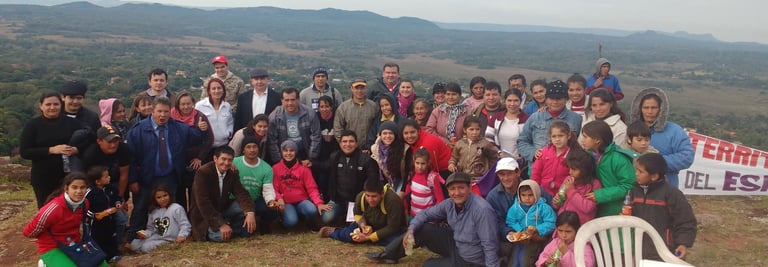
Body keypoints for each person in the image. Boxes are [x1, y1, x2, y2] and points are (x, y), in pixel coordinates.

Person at [367, 172, 500, 266]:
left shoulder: (482, 210)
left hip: (471, 258)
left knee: (428, 265)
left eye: (461, 188)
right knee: (423, 228)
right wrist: (411, 229)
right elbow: (425, 214)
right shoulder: (449, 203)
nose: (457, 192)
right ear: (448, 191)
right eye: (453, 189)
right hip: (456, 243)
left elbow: (489, 244)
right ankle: (389, 254)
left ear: (470, 188)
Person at [125, 96, 208, 242]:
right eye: (159, 111)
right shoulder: (137, 131)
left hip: (170, 176)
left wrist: (202, 130)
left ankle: (173, 237)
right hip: (146, 177)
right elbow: (130, 159)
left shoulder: (179, 128)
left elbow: (194, 138)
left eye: (166, 112)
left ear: (171, 112)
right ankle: (132, 239)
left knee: (172, 208)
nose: (162, 115)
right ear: (152, 111)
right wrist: (132, 180)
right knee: (141, 208)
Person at [23, 172, 108, 267]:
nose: (79, 191)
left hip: (74, 243)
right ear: (66, 188)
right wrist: (43, 237)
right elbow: (29, 232)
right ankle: (45, 264)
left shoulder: (85, 204)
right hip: (52, 246)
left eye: (82, 187)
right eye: (74, 187)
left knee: (101, 264)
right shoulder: (54, 208)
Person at [20, 92, 86, 208]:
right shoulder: (33, 125)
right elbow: (25, 152)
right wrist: (51, 150)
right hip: (43, 175)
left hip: (68, 175)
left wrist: (76, 149)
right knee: (47, 209)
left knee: (69, 209)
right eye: (48, 104)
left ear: (61, 105)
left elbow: (87, 142)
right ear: (41, 106)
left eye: (56, 104)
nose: (52, 107)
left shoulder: (71, 123)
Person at [630, 153, 697, 260]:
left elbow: (686, 220)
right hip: (638, 249)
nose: (636, 174)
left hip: (665, 250)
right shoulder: (634, 191)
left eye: (641, 171)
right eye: (636, 170)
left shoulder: (672, 194)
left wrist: (683, 243)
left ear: (654, 176)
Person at [189, 146, 257, 241]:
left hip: (222, 209)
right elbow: (203, 202)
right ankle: (224, 229)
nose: (226, 163)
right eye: (223, 159)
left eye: (229, 160)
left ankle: (230, 228)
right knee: (218, 237)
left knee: (243, 207)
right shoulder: (203, 172)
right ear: (215, 158)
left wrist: (250, 213)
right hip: (204, 214)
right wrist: (220, 224)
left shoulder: (232, 172)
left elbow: (241, 193)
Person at [630, 87, 693, 187]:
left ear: (661, 109)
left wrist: (655, 162)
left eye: (654, 108)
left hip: (666, 190)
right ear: (639, 109)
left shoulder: (674, 131)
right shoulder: (630, 131)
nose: (649, 111)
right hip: (636, 189)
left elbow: (687, 157)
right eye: (646, 108)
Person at [80, 126, 131, 243]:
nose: (113, 145)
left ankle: (118, 243)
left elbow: (124, 175)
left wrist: (120, 198)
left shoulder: (123, 149)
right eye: (109, 142)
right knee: (99, 221)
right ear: (99, 141)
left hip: (114, 184)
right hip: (96, 187)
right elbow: (86, 180)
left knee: (121, 218)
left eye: (116, 141)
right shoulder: (90, 154)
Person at [319, 178, 406, 246]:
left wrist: (368, 238)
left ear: (382, 194)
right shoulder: (361, 196)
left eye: (374, 196)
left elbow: (392, 227)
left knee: (397, 240)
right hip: (369, 225)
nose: (370, 200)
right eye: (368, 196)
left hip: (386, 227)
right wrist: (363, 225)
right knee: (352, 236)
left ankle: (368, 240)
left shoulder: (393, 200)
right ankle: (333, 232)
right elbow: (357, 214)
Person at [518, 79, 583, 164]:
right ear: (546, 99)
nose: (555, 102)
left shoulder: (576, 119)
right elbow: (522, 141)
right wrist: (533, 153)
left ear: (566, 99)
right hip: (538, 168)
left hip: (565, 169)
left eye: (559, 98)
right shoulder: (535, 117)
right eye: (551, 98)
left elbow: (578, 145)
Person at [271, 140, 331, 230]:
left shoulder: (304, 169)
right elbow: (274, 188)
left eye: (291, 150)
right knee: (291, 222)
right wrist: (279, 199)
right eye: (285, 150)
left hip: (301, 201)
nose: (288, 153)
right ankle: (282, 221)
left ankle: (308, 222)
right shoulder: (275, 168)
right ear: (281, 152)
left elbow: (312, 188)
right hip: (286, 202)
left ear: (296, 152)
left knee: (312, 210)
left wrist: (319, 203)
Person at [581, 120, 636, 217]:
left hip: (616, 209)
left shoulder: (619, 159)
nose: (582, 140)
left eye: (585, 137)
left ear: (597, 140)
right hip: (594, 208)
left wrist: (600, 195)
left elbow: (628, 186)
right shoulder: (588, 156)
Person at [323, 130, 380, 225]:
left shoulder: (366, 160)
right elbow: (324, 166)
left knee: (355, 224)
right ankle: (342, 216)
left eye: (351, 141)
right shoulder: (334, 156)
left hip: (356, 201)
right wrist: (309, 163)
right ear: (340, 144)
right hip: (338, 199)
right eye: (344, 141)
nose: (348, 144)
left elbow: (373, 182)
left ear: (356, 143)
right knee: (326, 219)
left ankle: (347, 217)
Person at [171, 91, 214, 210]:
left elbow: (210, 138)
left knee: (194, 191)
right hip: (177, 161)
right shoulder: (171, 117)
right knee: (178, 192)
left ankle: (194, 220)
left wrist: (200, 157)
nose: (185, 107)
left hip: (194, 162)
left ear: (193, 103)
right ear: (177, 105)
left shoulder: (199, 117)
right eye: (182, 104)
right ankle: (181, 218)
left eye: (188, 103)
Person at [505, 180, 556, 267]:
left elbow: (551, 223)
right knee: (514, 262)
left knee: (526, 262)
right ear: (519, 195)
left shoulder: (543, 208)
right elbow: (510, 221)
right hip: (520, 240)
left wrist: (538, 229)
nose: (527, 198)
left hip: (535, 239)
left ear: (536, 194)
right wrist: (520, 230)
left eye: (530, 195)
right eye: (523, 195)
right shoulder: (515, 208)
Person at [232, 136, 278, 234]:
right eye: (248, 147)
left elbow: (267, 189)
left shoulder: (266, 168)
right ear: (243, 150)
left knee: (272, 209)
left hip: (254, 200)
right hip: (235, 200)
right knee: (245, 233)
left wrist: (270, 201)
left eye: (254, 147)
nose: (252, 150)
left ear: (258, 149)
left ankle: (263, 225)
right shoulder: (234, 162)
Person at [267, 87, 321, 165]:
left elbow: (316, 137)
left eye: (293, 100)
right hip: (284, 154)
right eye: (286, 100)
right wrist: (279, 161)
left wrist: (311, 158)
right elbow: (272, 141)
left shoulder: (309, 113)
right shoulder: (274, 116)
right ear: (282, 101)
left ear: (298, 100)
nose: (290, 103)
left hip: (305, 152)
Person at [129, 185, 191, 253]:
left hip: (171, 239)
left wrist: (182, 235)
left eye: (165, 195)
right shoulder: (154, 211)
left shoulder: (176, 208)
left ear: (170, 195)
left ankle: (171, 247)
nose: (163, 199)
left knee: (146, 247)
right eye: (159, 197)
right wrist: (145, 234)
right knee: (134, 244)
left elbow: (185, 224)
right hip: (157, 237)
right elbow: (151, 228)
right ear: (154, 199)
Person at [484, 158, 522, 267]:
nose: (505, 178)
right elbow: (495, 221)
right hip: (507, 239)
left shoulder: (531, 188)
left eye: (509, 174)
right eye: (502, 174)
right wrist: (508, 232)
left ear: (518, 173)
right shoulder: (492, 196)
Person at [553, 149, 602, 225]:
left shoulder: (594, 185)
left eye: (574, 169)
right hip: (564, 224)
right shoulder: (568, 179)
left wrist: (571, 191)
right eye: (569, 168)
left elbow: (587, 208)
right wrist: (557, 201)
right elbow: (561, 199)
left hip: (581, 226)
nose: (570, 172)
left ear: (585, 170)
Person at [531, 121, 580, 197]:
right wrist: (535, 191)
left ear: (569, 135)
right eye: (554, 136)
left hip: (562, 195)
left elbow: (574, 177)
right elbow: (536, 173)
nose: (557, 139)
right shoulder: (544, 152)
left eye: (561, 136)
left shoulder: (573, 155)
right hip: (542, 193)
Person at [85, 166, 121, 262]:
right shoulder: (90, 193)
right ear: (97, 181)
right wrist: (94, 215)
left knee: (111, 237)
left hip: (110, 219)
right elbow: (84, 208)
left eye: (108, 175)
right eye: (105, 177)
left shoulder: (110, 189)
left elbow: (117, 197)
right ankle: (98, 257)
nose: (109, 177)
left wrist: (117, 203)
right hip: (96, 223)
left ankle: (112, 255)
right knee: (97, 240)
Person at [448, 116, 499, 182]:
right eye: (471, 129)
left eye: (477, 129)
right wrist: (452, 164)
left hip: (480, 178)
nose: (474, 132)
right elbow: (454, 157)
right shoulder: (459, 144)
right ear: (464, 130)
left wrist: (489, 171)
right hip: (463, 177)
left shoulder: (485, 144)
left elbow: (494, 157)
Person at [334, 78, 378, 151]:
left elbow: (377, 128)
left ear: (366, 89)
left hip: (369, 149)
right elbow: (338, 129)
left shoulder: (373, 106)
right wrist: (347, 145)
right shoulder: (343, 108)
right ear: (351, 88)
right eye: (356, 88)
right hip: (349, 150)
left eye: (362, 88)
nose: (359, 91)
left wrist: (371, 146)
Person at [370, 121, 412, 196]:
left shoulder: (404, 148)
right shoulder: (375, 149)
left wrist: (402, 191)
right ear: (380, 135)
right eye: (385, 133)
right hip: (384, 181)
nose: (388, 136)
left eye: (391, 133)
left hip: (400, 181)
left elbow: (406, 173)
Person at [404, 148, 446, 218]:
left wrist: (436, 216)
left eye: (423, 163)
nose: (420, 167)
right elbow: (407, 194)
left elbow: (440, 200)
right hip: (413, 215)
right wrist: (406, 211)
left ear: (428, 162)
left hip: (427, 217)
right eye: (417, 163)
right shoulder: (411, 174)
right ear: (413, 161)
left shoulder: (432, 177)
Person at [426, 82, 469, 147]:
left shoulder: (466, 111)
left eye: (454, 94)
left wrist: (459, 144)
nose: (450, 97)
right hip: (441, 146)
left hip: (462, 148)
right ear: (445, 95)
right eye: (448, 94)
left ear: (460, 95)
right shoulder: (438, 111)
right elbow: (429, 130)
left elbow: (472, 130)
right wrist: (445, 142)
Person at [195, 77, 234, 149]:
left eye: (219, 88)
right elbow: (194, 124)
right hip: (206, 147)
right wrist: (199, 126)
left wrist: (229, 133)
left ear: (223, 90)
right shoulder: (200, 106)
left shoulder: (227, 106)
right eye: (213, 88)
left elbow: (230, 122)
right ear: (209, 91)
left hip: (223, 145)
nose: (216, 91)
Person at [313, 95, 338, 201]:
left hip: (335, 153)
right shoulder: (315, 118)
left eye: (327, 106)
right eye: (322, 106)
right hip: (320, 155)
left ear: (331, 107)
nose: (324, 109)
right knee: (322, 179)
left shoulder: (337, 117)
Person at [493, 88, 529, 159]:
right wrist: (498, 152)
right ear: (505, 101)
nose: (512, 104)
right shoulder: (497, 117)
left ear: (520, 101)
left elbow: (530, 142)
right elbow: (489, 139)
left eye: (516, 100)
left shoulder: (527, 120)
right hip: (499, 162)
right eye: (509, 100)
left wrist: (522, 157)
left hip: (521, 163)